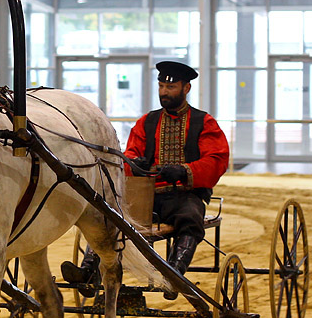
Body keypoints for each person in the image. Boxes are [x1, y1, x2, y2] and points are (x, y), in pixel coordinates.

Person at [61, 61, 230, 300]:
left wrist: (184, 170)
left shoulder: (205, 123)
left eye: (170, 87)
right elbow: (129, 154)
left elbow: (217, 159)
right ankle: (89, 271)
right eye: (161, 86)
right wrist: (133, 163)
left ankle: (174, 275)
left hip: (185, 195)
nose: (164, 92)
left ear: (186, 88)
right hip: (145, 196)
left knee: (191, 218)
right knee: (109, 216)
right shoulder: (146, 122)